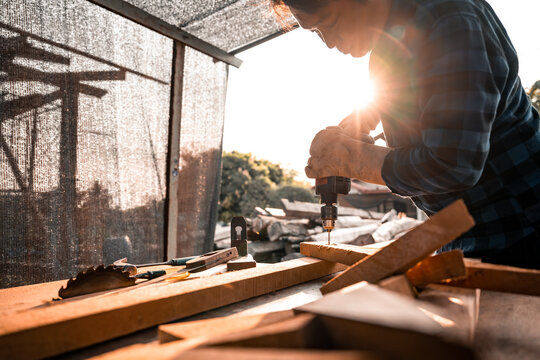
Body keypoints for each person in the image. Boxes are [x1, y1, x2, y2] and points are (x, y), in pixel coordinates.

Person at [271, 0, 540, 269]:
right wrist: (358, 123)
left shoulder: (449, 18)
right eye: (316, 33)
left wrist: (354, 159)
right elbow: (389, 97)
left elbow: (453, 164)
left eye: (329, 24)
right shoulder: (389, 45)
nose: (328, 43)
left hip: (523, 233)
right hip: (469, 240)